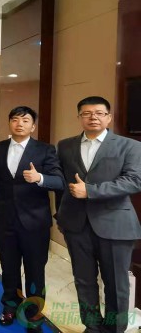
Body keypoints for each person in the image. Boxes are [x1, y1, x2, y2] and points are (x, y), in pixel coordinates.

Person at [56, 96, 141, 333]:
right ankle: (92, 327)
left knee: (116, 285)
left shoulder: (130, 146)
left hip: (115, 225)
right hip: (76, 225)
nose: (93, 117)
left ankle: (114, 330)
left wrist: (90, 191)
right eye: (87, 113)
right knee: (83, 281)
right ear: (79, 117)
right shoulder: (65, 146)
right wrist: (60, 215)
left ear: (109, 117)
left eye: (99, 113)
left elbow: (134, 181)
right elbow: (61, 183)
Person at [0, 106, 64, 332]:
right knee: (9, 267)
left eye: (25, 120)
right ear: (9, 123)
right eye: (15, 119)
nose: (19, 124)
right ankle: (10, 306)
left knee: (35, 271)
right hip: (6, 220)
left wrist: (39, 178)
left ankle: (33, 313)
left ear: (33, 126)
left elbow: (59, 181)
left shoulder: (45, 150)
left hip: (35, 221)